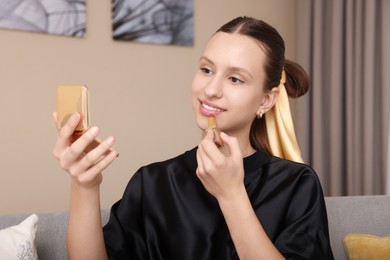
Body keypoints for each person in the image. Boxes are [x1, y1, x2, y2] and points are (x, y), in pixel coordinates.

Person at [52, 16, 334, 260]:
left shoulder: (297, 184)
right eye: (206, 69)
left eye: (235, 79)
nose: (210, 89)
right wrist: (85, 185)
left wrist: (231, 194)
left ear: (266, 100)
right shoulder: (152, 182)